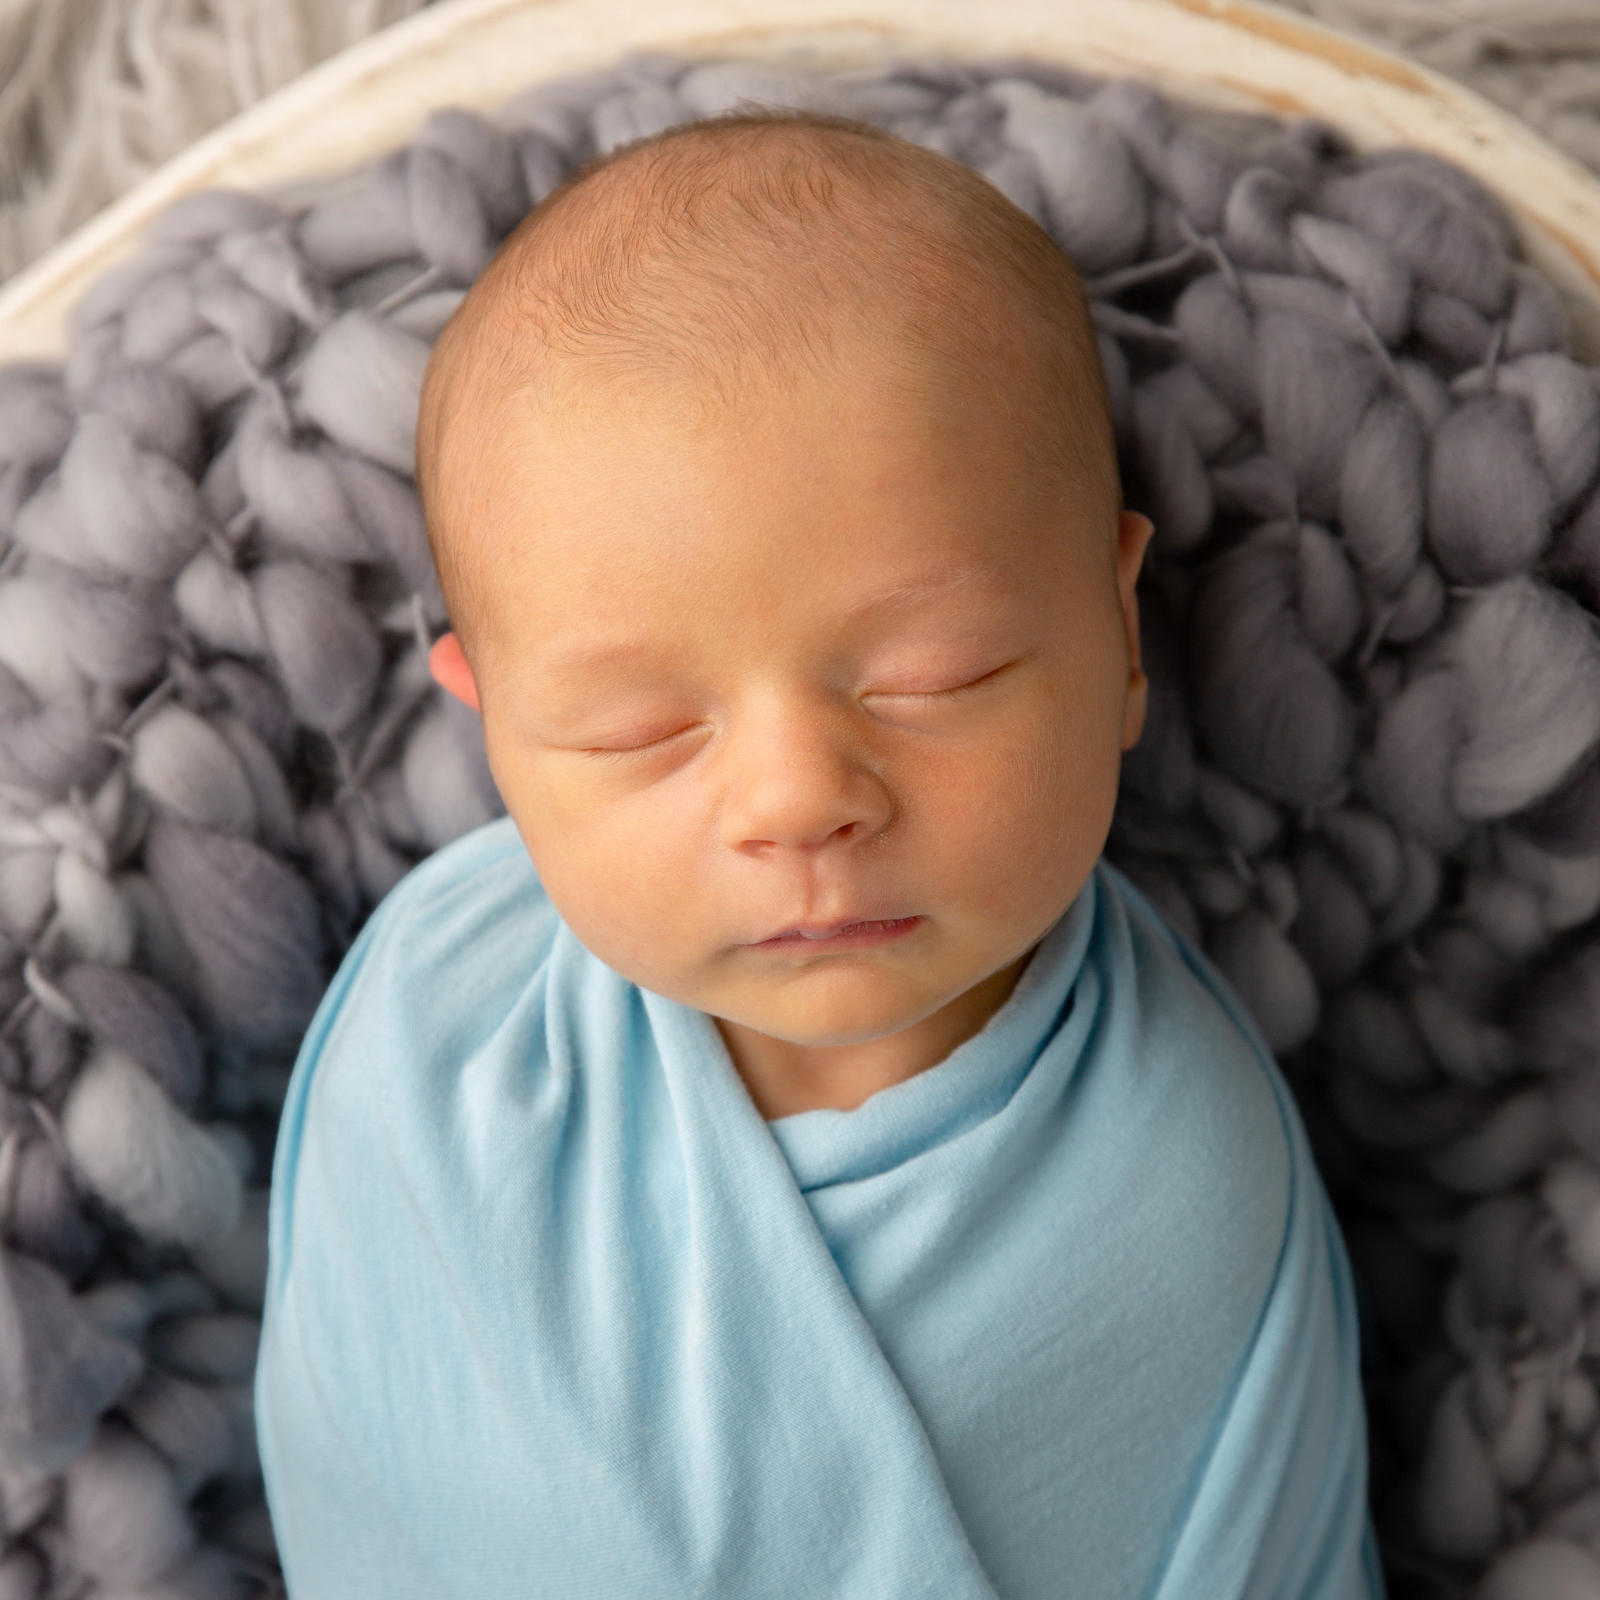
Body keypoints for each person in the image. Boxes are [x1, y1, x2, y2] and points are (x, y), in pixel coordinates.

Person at [254, 106, 1384, 1599]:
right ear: (495, 736)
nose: (798, 802)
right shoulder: (429, 1039)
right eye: (636, 728)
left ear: (1120, 630)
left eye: (934, 676)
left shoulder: (1187, 1178)